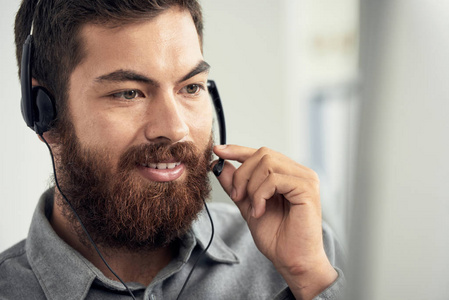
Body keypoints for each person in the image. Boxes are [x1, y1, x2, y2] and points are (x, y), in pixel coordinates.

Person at [0, 0, 345, 299]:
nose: (175, 128)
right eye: (129, 93)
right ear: (43, 112)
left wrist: (309, 279)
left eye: (191, 87)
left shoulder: (301, 254)